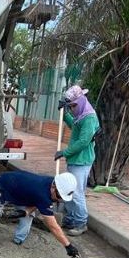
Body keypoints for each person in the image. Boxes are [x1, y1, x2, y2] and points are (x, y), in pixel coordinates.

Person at [0, 170, 82, 258]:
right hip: (0, 187)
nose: (59, 200)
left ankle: (18, 240)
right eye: (59, 196)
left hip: (19, 193)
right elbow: (53, 226)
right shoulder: (42, 193)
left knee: (28, 217)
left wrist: (26, 211)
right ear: (54, 187)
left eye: (62, 198)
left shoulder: (51, 185)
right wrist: (68, 246)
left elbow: (38, 202)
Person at [55, 85, 99, 235]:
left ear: (80, 102)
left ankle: (80, 223)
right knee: (71, 191)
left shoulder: (89, 118)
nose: (72, 108)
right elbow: (73, 124)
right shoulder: (81, 115)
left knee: (77, 193)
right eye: (70, 106)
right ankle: (71, 219)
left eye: (73, 106)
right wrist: (64, 112)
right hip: (75, 160)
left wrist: (64, 152)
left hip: (81, 160)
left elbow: (83, 141)